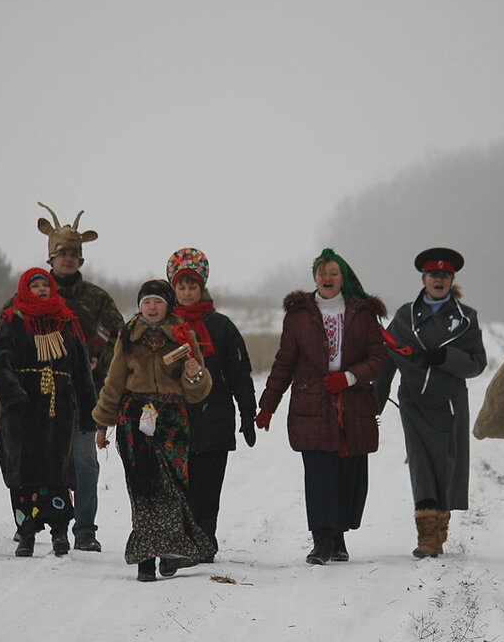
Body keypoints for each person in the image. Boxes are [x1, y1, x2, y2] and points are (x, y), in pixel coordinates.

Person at [0, 202, 123, 553]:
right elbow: (3, 335)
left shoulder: (98, 299)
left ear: (81, 259)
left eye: (74, 253)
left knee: (84, 461)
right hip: (34, 400)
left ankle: (84, 528)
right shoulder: (25, 297)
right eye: (61, 253)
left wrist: (100, 366)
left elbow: (122, 339)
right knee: (34, 459)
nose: (68, 258)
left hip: (82, 394)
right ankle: (32, 523)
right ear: (50, 258)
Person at [255, 248, 390, 565]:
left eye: (333, 272)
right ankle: (322, 540)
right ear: (313, 277)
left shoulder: (362, 313)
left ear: (343, 277)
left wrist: (350, 377)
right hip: (311, 404)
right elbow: (284, 363)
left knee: (348, 473)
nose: (326, 278)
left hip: (352, 405)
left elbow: (379, 359)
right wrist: (267, 406)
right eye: (321, 273)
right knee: (318, 474)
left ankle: (339, 536)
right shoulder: (299, 315)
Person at [92, 279, 215, 582]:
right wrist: (102, 423)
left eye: (158, 301)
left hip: (173, 418)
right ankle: (145, 559)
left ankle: (171, 552)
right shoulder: (128, 335)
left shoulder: (183, 333)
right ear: (140, 306)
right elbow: (115, 381)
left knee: (173, 485)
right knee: (143, 486)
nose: (152, 307)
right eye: (147, 302)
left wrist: (194, 374)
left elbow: (198, 390)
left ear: (168, 305)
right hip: (135, 419)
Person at [375, 248, 487, 559]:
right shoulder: (405, 316)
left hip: (449, 403)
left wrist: (447, 357)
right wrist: (375, 403)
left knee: (446, 465)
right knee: (421, 464)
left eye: (445, 275)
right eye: (433, 275)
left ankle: (440, 527)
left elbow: (478, 364)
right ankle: (426, 535)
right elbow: (388, 359)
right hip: (413, 402)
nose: (439, 280)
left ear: (452, 280)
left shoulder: (467, 319)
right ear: (424, 278)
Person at [0, 268, 97, 557]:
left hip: (58, 409)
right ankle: (26, 534)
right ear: (25, 289)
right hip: (22, 412)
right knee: (23, 470)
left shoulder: (66, 324)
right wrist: (14, 398)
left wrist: (88, 412)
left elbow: (82, 372)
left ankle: (59, 532)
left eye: (45, 285)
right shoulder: (12, 322)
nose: (41, 289)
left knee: (57, 470)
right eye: (35, 285)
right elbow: (0, 364)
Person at [166, 248, 257, 562]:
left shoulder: (221, 326)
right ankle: (181, 542)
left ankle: (204, 543)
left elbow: (239, 374)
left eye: (193, 286)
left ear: (202, 287)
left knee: (207, 487)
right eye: (181, 286)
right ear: (173, 289)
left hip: (214, 419)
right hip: (173, 421)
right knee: (178, 487)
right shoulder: (162, 324)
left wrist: (248, 413)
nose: (187, 292)